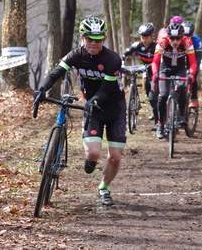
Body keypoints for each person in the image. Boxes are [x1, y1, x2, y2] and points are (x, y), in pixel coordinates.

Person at [33, 16, 125, 206]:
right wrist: (42, 89)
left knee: (115, 157)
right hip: (93, 107)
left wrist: (93, 100)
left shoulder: (113, 59)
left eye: (98, 39)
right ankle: (90, 160)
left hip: (114, 107)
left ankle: (103, 188)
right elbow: (56, 72)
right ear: (83, 38)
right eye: (90, 39)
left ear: (104, 39)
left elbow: (106, 89)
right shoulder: (76, 55)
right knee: (93, 154)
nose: (93, 43)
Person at [152, 22, 197, 139]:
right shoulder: (162, 42)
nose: (175, 41)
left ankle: (182, 116)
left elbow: (193, 62)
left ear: (182, 37)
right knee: (163, 95)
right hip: (165, 69)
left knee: (182, 88)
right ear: (168, 37)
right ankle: (160, 125)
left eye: (178, 38)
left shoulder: (187, 42)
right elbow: (155, 61)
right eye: (172, 38)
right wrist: (155, 73)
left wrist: (191, 73)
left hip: (180, 70)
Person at [122, 23, 158, 124]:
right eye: (142, 37)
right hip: (145, 69)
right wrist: (122, 60)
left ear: (152, 37)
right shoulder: (137, 45)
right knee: (147, 91)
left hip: (156, 70)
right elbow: (126, 53)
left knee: (153, 96)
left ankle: (158, 114)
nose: (144, 39)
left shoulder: (156, 47)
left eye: (147, 37)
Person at [182, 21, 201, 108]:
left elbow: (197, 58)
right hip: (181, 59)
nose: (186, 37)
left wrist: (193, 70)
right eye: (184, 35)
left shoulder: (196, 40)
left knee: (193, 78)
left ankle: (194, 98)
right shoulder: (178, 39)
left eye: (188, 35)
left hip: (194, 59)